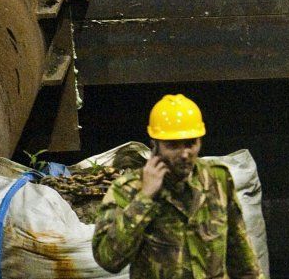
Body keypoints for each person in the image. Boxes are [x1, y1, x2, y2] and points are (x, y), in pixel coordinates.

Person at [92, 94, 264, 279]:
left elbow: (242, 257)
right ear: (155, 145)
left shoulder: (217, 179)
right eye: (173, 145)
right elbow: (108, 260)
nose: (184, 154)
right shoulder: (128, 190)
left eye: (191, 143)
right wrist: (144, 199)